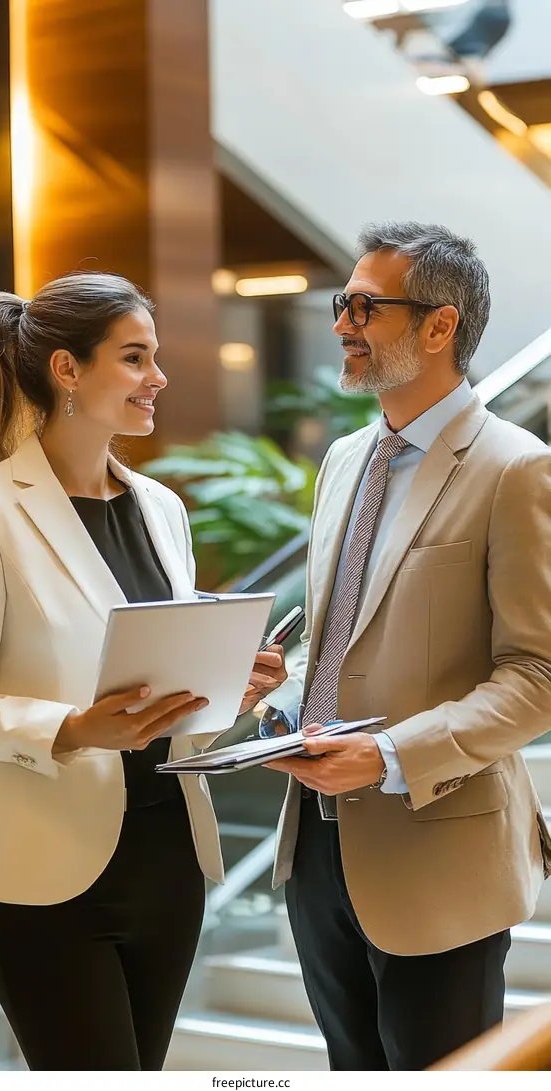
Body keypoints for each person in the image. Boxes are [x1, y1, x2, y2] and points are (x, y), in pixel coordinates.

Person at [0, 272, 286, 1071]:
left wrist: (228, 690)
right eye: (134, 358)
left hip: (170, 862)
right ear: (68, 370)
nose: (158, 378)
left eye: (155, 357)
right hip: (48, 880)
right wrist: (67, 727)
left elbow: (167, 704)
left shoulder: (163, 509)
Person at [261, 222, 551, 1071]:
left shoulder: (516, 467)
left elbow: (537, 674)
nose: (344, 323)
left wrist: (387, 754)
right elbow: (338, 639)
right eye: (341, 305)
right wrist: (278, 696)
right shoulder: (344, 460)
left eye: (365, 306)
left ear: (439, 326)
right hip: (317, 849)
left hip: (441, 853)